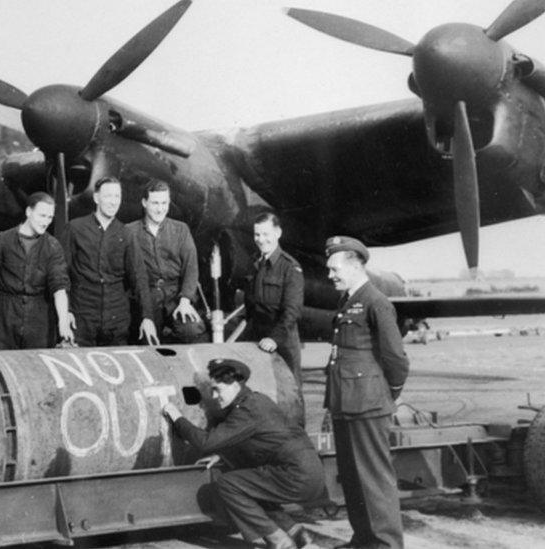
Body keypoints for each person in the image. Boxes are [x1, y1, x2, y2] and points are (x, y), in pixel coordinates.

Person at [162, 359, 322, 549]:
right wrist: (223, 456)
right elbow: (262, 440)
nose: (214, 396)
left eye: (218, 389)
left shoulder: (246, 411)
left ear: (235, 384)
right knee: (251, 483)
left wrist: (176, 416)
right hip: (309, 471)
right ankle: (298, 535)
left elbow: (205, 443)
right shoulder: (258, 400)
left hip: (295, 475)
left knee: (229, 484)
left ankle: (279, 541)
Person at [325, 236, 409, 549]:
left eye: (335, 268)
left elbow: (396, 358)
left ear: (355, 265)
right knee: (352, 477)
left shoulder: (376, 301)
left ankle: (385, 544)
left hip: (368, 404)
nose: (330, 275)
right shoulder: (347, 301)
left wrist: (391, 392)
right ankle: (363, 539)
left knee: (374, 479)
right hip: (346, 402)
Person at [65, 177, 158, 346]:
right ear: (96, 198)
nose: (113, 202)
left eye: (117, 197)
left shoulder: (126, 234)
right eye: (108, 196)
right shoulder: (75, 228)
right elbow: (63, 274)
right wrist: (67, 311)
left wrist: (147, 318)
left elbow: (139, 277)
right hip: (82, 318)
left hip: (117, 321)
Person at [0, 192, 73, 350]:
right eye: (42, 215)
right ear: (29, 212)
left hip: (39, 320)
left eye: (49, 218)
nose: (46, 222)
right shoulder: (2, 241)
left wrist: (63, 322)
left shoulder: (53, 246)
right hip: (4, 316)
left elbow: (59, 288)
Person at [242, 212, 305, 425]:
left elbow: (292, 311)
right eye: (257, 234)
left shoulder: (290, 267)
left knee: (289, 397)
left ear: (278, 233)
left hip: (282, 342)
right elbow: (251, 307)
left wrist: (274, 339)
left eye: (266, 234)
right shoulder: (255, 263)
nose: (261, 239)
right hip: (257, 340)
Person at [125, 180, 207, 343]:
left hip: (176, 294)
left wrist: (185, 301)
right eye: (155, 203)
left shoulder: (181, 229)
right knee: (146, 339)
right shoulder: (129, 231)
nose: (160, 208)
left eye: (164, 203)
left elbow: (191, 268)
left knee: (191, 330)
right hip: (147, 295)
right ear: (144, 203)